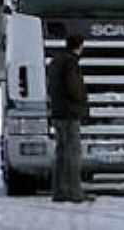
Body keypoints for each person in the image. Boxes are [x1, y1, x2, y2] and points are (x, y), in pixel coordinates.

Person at [47, 34, 91, 203]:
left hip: (58, 112)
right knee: (73, 154)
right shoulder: (71, 63)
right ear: (79, 46)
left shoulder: (56, 61)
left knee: (61, 154)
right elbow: (74, 88)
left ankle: (59, 191)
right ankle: (74, 192)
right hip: (69, 113)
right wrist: (83, 100)